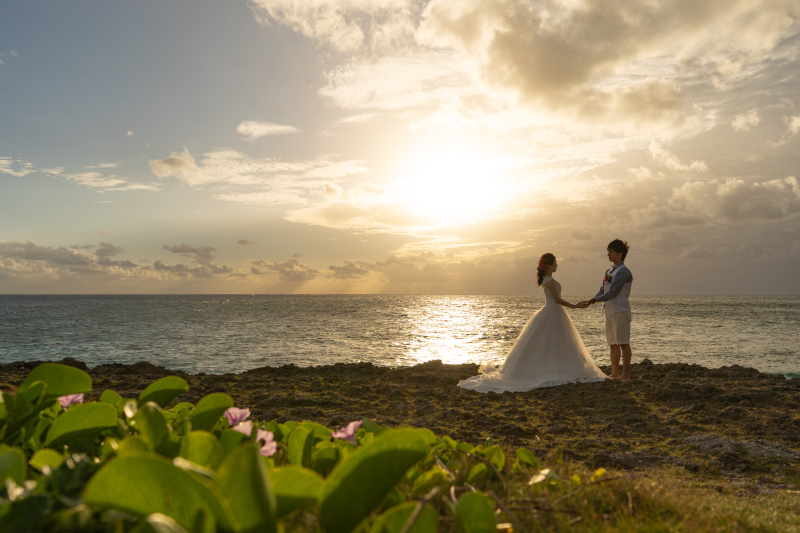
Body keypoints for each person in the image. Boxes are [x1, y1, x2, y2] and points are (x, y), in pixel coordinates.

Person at [458, 253, 608, 393]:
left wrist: (575, 306)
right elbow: (556, 300)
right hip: (552, 311)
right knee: (553, 340)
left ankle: (556, 368)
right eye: (555, 263)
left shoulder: (548, 280)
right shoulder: (548, 281)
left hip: (554, 312)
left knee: (558, 341)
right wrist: (575, 306)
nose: (557, 266)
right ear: (549, 265)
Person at [578, 239, 633, 381]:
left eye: (611, 251)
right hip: (608, 311)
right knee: (613, 344)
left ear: (619, 254)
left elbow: (613, 292)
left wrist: (595, 300)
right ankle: (615, 373)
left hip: (620, 310)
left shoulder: (623, 272)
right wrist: (591, 300)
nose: (608, 254)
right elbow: (603, 289)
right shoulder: (609, 271)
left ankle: (625, 375)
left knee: (623, 343)